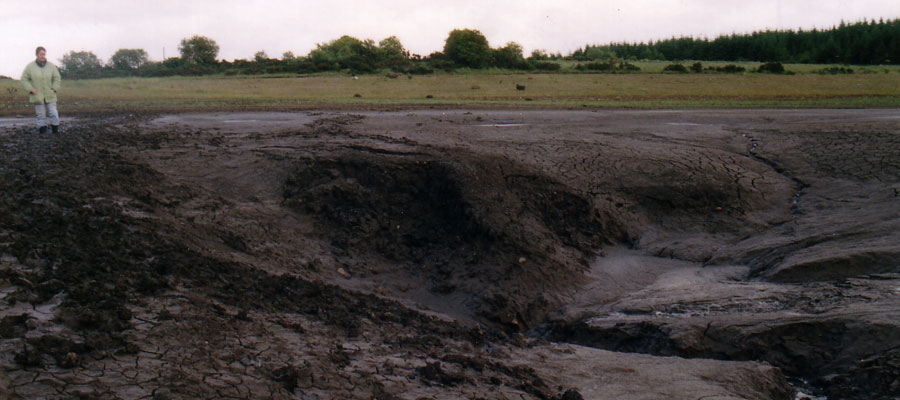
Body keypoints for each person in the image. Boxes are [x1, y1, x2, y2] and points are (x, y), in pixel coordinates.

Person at [21, 46, 61, 134]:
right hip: (37, 96)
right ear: (37, 55)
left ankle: (55, 132)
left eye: (44, 54)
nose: (43, 56)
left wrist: (54, 88)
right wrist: (31, 89)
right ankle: (42, 135)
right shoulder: (30, 67)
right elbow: (24, 79)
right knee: (41, 115)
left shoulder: (51, 66)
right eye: (41, 54)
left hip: (50, 94)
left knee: (53, 113)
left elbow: (57, 78)